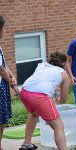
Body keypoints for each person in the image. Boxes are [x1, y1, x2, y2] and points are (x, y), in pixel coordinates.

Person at [19, 51, 70, 150]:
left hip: (25, 91)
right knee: (58, 126)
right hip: (39, 97)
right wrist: (57, 100)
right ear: (64, 63)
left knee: (34, 113)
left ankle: (27, 144)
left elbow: (41, 81)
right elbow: (63, 99)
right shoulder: (64, 75)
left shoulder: (41, 65)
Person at [0, 15, 19, 150]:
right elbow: (0, 70)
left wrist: (12, 76)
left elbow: (4, 65)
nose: (5, 31)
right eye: (4, 28)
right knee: (1, 119)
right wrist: (12, 84)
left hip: (3, 84)